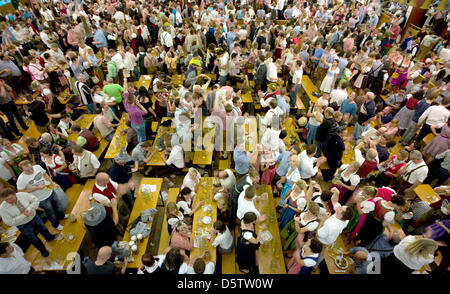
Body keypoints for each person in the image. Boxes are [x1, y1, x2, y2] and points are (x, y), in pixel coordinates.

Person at [0, 188, 56, 257]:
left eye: (10, 198)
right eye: (6, 200)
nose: (9, 201)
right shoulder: (2, 208)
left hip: (34, 217)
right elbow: (9, 222)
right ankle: (42, 250)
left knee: (43, 228)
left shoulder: (22, 195)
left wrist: (29, 209)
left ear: (15, 194)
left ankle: (49, 238)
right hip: (22, 225)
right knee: (33, 238)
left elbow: (35, 200)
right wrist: (24, 215)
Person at [16, 160, 67, 231]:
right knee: (50, 212)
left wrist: (52, 183)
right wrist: (37, 188)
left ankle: (62, 216)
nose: (31, 171)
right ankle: (56, 224)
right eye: (28, 171)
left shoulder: (37, 167)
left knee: (57, 205)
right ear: (21, 169)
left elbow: (45, 175)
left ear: (32, 164)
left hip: (50, 191)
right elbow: (20, 192)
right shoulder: (21, 179)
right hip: (41, 199)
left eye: (31, 168)